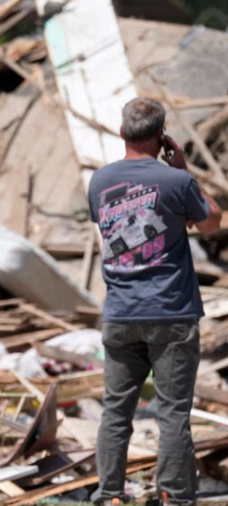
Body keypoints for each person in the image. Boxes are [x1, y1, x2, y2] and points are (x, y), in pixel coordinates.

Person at [88, 98, 222, 506]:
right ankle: (174, 496)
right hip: (171, 312)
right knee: (173, 413)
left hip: (121, 313)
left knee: (115, 412)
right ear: (161, 137)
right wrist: (181, 168)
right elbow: (213, 222)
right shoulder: (176, 182)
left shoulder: (99, 182)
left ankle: (110, 495)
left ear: (121, 132)